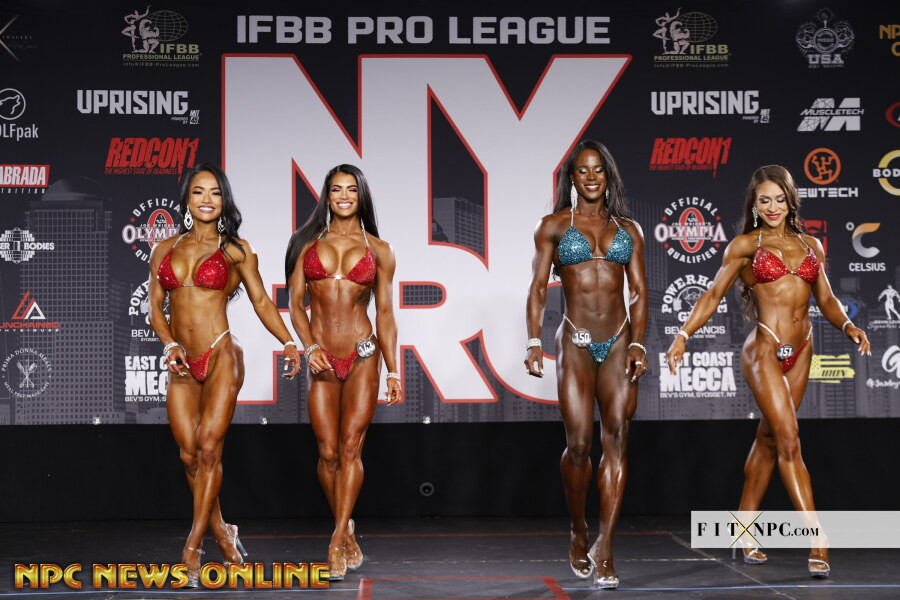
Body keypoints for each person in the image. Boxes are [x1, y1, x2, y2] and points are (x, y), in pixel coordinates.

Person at [666, 165, 871, 578]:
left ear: (790, 201)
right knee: (789, 438)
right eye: (765, 200)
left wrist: (849, 325)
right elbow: (712, 294)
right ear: (754, 205)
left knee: (769, 438)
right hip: (764, 350)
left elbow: (826, 298)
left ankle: (743, 527)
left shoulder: (811, 245)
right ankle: (818, 538)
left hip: (803, 349)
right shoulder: (744, 246)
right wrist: (683, 334)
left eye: (779, 199)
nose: (773, 207)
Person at [148, 163, 301, 586]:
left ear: (224, 201)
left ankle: (193, 545)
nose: (206, 200)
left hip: (221, 355)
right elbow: (155, 308)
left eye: (215, 193)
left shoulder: (236, 250)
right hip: (182, 360)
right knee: (189, 456)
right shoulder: (164, 250)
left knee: (209, 449)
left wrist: (289, 342)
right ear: (187, 199)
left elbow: (262, 302)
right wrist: (170, 344)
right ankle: (221, 530)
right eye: (199, 192)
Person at [525, 141, 648, 589]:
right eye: (583, 170)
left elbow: (639, 291)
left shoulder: (629, 229)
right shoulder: (554, 226)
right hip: (575, 342)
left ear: (608, 176)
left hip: (619, 343)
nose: (591, 176)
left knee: (616, 440)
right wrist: (534, 341)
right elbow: (539, 287)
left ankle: (607, 546)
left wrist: (639, 344)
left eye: (598, 170)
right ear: (572, 178)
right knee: (578, 445)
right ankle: (578, 530)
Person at [285, 164, 402, 581]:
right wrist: (310, 347)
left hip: (363, 354)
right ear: (327, 196)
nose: (345, 196)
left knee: (351, 448)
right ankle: (346, 526)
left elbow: (385, 313)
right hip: (321, 356)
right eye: (337, 190)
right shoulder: (305, 244)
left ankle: (336, 539)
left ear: (361, 195)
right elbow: (295, 304)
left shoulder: (380, 249)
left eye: (352, 189)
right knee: (328, 452)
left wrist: (393, 370)